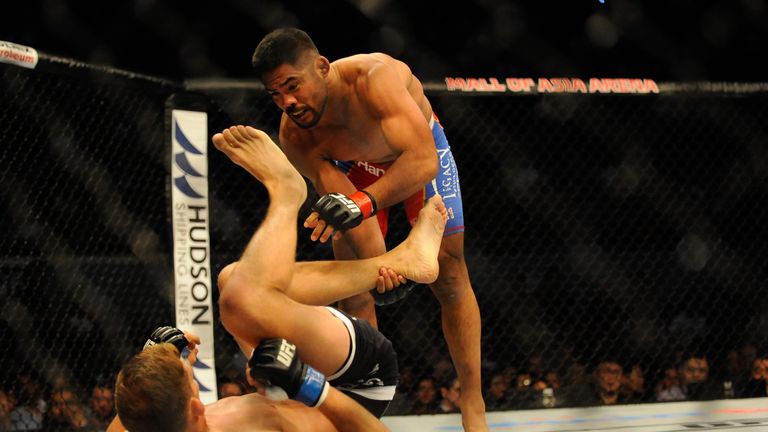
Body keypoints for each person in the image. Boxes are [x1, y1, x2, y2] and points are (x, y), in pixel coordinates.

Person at [106, 124, 449, 431]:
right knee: (240, 301)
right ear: (196, 406)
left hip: (289, 386)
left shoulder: (150, 425)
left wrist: (152, 367)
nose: (188, 369)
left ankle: (401, 260)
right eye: (189, 379)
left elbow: (133, 416)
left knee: (233, 280)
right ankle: (287, 194)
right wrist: (308, 384)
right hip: (354, 386)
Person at [251, 27, 487, 431]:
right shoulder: (295, 134)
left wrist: (363, 203)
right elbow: (361, 236)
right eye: (275, 94)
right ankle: (367, 410)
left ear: (322, 67)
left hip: (412, 153)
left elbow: (423, 161)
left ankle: (472, 398)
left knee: (449, 271)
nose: (287, 102)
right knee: (355, 287)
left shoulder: (375, 79)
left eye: (293, 86)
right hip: (349, 172)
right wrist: (384, 268)